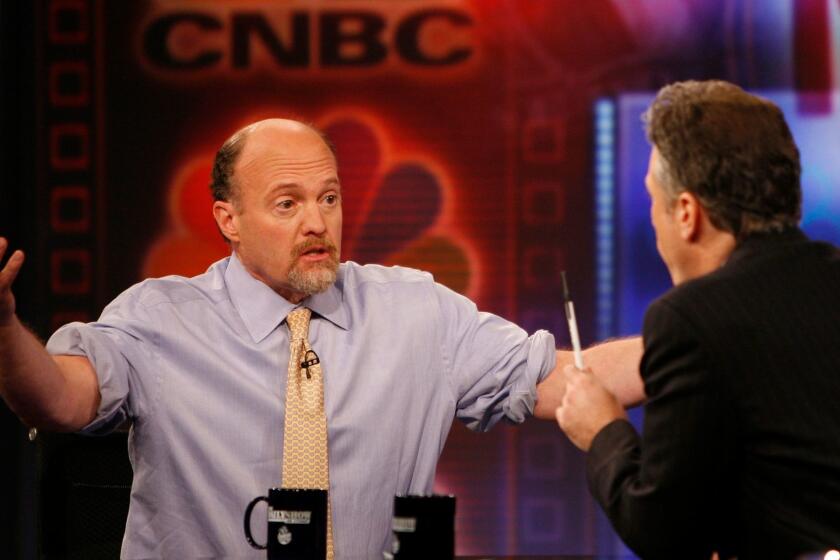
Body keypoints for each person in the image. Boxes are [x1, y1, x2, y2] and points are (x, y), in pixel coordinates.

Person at [0, 118, 643, 559]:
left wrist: (698, 340)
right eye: (288, 204)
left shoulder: (414, 310)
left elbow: (564, 378)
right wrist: (3, 327)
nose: (317, 222)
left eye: (329, 198)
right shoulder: (160, 319)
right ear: (228, 218)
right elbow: (57, 399)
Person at [555, 80, 840, 559]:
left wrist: (603, 430)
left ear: (686, 212)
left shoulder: (689, 321)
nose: (653, 221)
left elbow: (664, 532)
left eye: (652, 199)